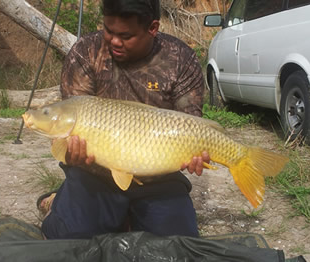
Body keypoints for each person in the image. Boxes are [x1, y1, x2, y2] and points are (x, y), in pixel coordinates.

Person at [39, 0, 210, 239]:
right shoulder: (86, 52)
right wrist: (70, 150)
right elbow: (70, 115)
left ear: (152, 28)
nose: (114, 41)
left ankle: (125, 214)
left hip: (158, 177)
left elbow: (190, 123)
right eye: (109, 30)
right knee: (70, 238)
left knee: (178, 245)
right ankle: (58, 202)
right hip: (96, 173)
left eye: (126, 35)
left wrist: (195, 155)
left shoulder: (181, 59)